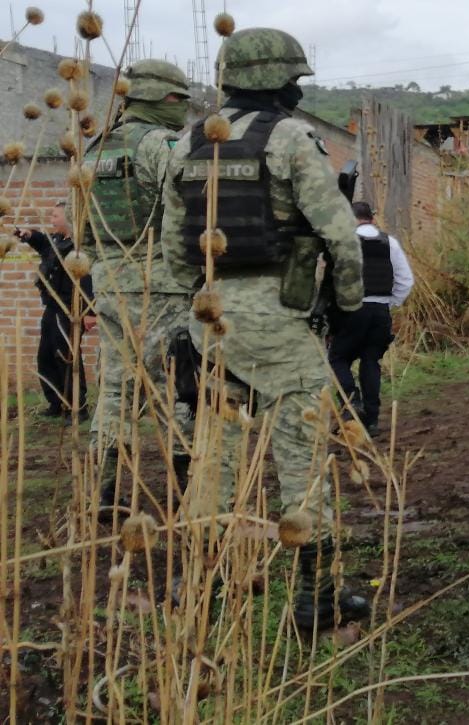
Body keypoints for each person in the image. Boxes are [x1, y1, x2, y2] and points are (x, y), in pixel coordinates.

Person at [159, 26, 369, 632]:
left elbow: (176, 245)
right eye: (293, 80)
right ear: (276, 80)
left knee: (214, 463)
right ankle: (316, 598)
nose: (297, 92)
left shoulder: (186, 141)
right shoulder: (292, 138)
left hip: (209, 321)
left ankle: (203, 585)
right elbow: (339, 235)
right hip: (279, 320)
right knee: (302, 461)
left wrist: (192, 310)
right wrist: (349, 304)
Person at [82, 59, 195, 521]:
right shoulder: (161, 144)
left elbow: (83, 228)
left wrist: (100, 273)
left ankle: (103, 495)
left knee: (115, 389)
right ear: (156, 98)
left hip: (110, 282)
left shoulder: (95, 149)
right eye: (177, 99)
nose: (183, 108)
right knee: (178, 385)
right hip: (162, 284)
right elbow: (190, 209)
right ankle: (187, 492)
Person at [327, 201, 414, 437]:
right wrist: (389, 302)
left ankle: (351, 401)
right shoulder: (389, 242)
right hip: (380, 312)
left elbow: (333, 280)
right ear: (371, 219)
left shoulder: (344, 242)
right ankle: (372, 421)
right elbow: (406, 280)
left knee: (337, 358)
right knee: (370, 362)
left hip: (352, 311)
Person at [16, 202, 93, 419]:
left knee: (66, 356)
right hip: (51, 309)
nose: (52, 219)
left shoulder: (78, 246)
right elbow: (44, 244)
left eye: (55, 216)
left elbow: (87, 280)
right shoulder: (57, 241)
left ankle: (78, 407)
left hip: (69, 310)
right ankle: (56, 403)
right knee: (45, 356)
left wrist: (90, 311)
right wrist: (29, 235)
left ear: (68, 218)